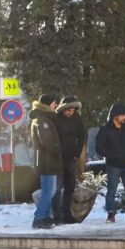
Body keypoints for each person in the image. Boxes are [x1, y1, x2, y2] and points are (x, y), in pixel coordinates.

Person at [96, 102, 125, 224]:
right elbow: (99, 147)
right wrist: (111, 155)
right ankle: (111, 215)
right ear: (115, 116)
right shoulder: (104, 130)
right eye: (122, 115)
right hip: (113, 165)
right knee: (111, 190)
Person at [30, 94, 61, 229]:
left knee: (50, 190)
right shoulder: (42, 119)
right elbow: (47, 141)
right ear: (49, 104)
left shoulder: (44, 117)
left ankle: (46, 217)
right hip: (46, 160)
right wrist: (58, 149)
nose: (56, 106)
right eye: (55, 103)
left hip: (47, 159)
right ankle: (39, 218)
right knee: (48, 190)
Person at [53, 96, 86, 224]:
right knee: (57, 187)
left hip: (71, 158)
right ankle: (56, 214)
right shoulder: (56, 119)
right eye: (68, 110)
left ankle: (66, 213)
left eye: (73, 110)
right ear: (63, 109)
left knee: (70, 186)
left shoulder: (77, 119)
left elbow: (81, 136)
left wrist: (77, 154)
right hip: (58, 158)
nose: (71, 113)